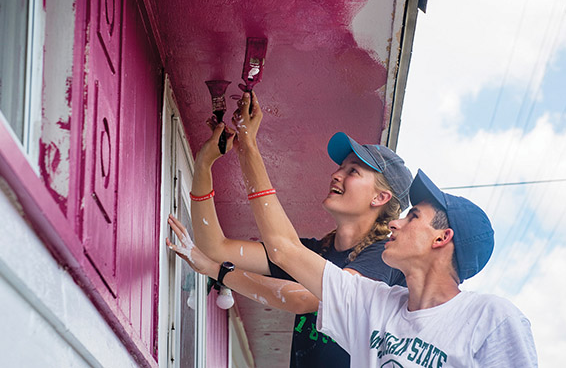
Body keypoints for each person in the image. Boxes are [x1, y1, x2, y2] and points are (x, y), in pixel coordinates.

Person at [209, 92, 537, 366]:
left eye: (413, 217)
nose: (396, 221)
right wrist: (244, 148)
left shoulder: (491, 318)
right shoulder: (376, 304)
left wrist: (220, 273)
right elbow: (284, 247)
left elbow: (295, 292)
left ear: (442, 238)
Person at [168, 90, 412, 367]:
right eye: (341, 167)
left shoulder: (385, 258)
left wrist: (218, 272)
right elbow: (215, 248)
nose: (336, 174)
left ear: (380, 198)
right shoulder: (315, 253)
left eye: (353, 171)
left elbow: (302, 298)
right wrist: (203, 164)